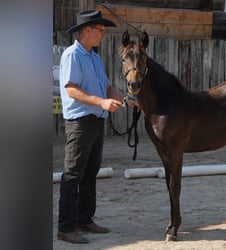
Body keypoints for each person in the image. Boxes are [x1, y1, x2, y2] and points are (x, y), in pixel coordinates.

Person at [57, 9, 137, 244]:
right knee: (72, 174)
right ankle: (65, 227)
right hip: (80, 122)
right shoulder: (72, 55)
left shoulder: (94, 57)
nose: (103, 34)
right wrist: (101, 102)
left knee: (90, 172)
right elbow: (71, 89)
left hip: (95, 120)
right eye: (100, 30)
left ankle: (84, 219)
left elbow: (107, 87)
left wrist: (124, 99)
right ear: (87, 31)